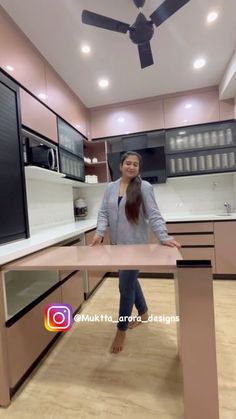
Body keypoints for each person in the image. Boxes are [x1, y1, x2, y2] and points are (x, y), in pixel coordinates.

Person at [90, 151, 181, 354]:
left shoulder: (144, 187)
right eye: (128, 163)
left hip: (136, 247)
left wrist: (164, 237)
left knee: (125, 286)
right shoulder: (110, 188)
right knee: (129, 280)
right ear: (121, 165)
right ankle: (144, 312)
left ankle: (121, 329)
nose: (131, 167)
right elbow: (103, 212)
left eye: (135, 165)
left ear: (138, 169)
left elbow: (154, 215)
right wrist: (99, 233)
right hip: (117, 247)